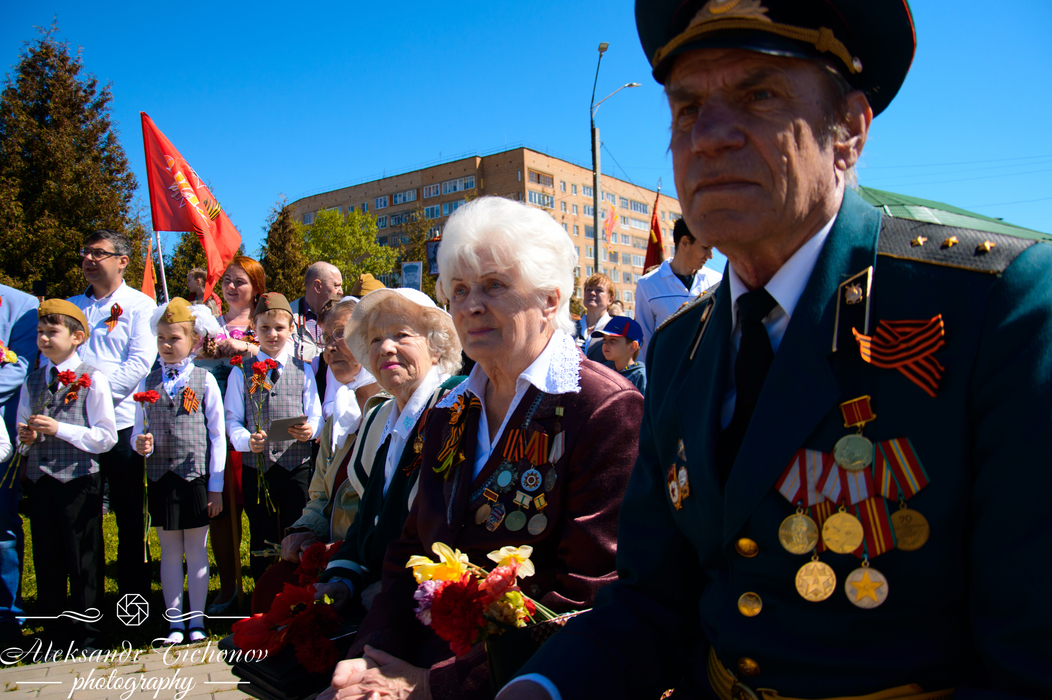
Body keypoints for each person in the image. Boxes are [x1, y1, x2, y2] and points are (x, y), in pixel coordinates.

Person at [502, 1, 1052, 699]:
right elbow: (652, 601)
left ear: (850, 131)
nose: (707, 135)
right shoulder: (679, 347)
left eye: (759, 94)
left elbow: (1032, 662)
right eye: (686, 108)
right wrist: (543, 686)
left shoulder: (992, 306)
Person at [320, 196, 643, 700]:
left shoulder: (602, 407)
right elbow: (409, 550)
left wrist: (433, 686)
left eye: (494, 285)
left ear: (550, 300)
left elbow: (586, 595)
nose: (471, 305)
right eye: (459, 290)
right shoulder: (451, 408)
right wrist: (368, 656)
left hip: (521, 682)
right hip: (418, 661)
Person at [312, 288, 463, 615]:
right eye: (375, 339)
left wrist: (400, 586)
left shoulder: (457, 407)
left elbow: (460, 527)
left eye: (401, 335)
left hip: (427, 606)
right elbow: (368, 517)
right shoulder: (379, 418)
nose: (385, 347)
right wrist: (343, 578)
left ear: (436, 347)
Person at [250, 298, 382, 613]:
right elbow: (320, 495)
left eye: (341, 334)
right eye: (325, 340)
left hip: (372, 559)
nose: (330, 348)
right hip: (334, 556)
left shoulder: (395, 415)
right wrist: (304, 531)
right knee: (269, 592)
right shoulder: (338, 419)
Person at [16, 300, 117, 649]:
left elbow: (105, 437)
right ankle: (54, 635)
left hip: (78, 480)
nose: (44, 338)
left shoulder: (93, 377)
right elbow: (22, 430)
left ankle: (89, 635)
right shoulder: (33, 380)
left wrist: (60, 429)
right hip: (42, 480)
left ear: (76, 337)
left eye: (52, 331)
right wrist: (26, 439)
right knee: (47, 558)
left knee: (83, 557)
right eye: (40, 332)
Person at [67, 229, 157, 599]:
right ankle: (87, 601)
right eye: (86, 252)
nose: (89, 259)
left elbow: (139, 362)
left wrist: (97, 399)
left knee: (129, 515)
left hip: (122, 425)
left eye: (98, 253)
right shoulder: (73, 307)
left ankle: (133, 600)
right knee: (82, 516)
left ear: (122, 261)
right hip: (78, 427)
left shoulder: (139, 305)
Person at [131, 298, 225, 645]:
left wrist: (215, 486)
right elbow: (137, 429)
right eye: (161, 339)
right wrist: (140, 444)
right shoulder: (147, 380)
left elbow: (217, 435)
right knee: (169, 550)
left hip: (194, 477)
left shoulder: (204, 380)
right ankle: (174, 621)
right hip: (161, 476)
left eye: (175, 338)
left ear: (193, 341)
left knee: (196, 549)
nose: (167, 345)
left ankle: (196, 620)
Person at [224, 292, 322, 581]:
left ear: (291, 329)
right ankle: (264, 589)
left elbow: (315, 414)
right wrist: (246, 440)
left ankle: (297, 589)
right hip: (259, 467)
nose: (272, 334)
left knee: (297, 527)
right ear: (254, 328)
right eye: (265, 328)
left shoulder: (303, 369)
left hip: (295, 466)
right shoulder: (240, 373)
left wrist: (311, 430)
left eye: (279, 328)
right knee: (261, 531)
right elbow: (232, 419)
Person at [197, 255, 266, 614]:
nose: (231, 287)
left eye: (240, 281)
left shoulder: (264, 322)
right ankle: (228, 587)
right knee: (221, 513)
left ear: (256, 287)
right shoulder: (210, 325)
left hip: (253, 430)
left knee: (260, 512)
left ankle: (264, 587)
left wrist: (244, 348)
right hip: (215, 432)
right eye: (227, 280)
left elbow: (277, 352)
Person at [0, 284, 37, 646]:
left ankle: (6, 616)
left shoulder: (20, 305)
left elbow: (20, 367)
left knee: (1, 526)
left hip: (1, 434)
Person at [634, 218, 722, 359]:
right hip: (666, 370)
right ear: (685, 243)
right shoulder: (648, 284)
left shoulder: (717, 281)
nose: (710, 256)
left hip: (706, 369)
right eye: (705, 247)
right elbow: (645, 341)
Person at [291, 261, 344, 365]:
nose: (341, 291)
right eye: (336, 285)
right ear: (318, 286)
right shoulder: (288, 315)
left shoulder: (343, 317)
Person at [591, 316, 646, 394]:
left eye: (613, 340)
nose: (605, 344)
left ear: (633, 346)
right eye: (604, 339)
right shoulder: (604, 371)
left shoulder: (641, 376)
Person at [574, 273, 614, 366]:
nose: (592, 293)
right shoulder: (570, 328)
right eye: (588, 289)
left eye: (599, 290)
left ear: (610, 300)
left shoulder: (615, 329)